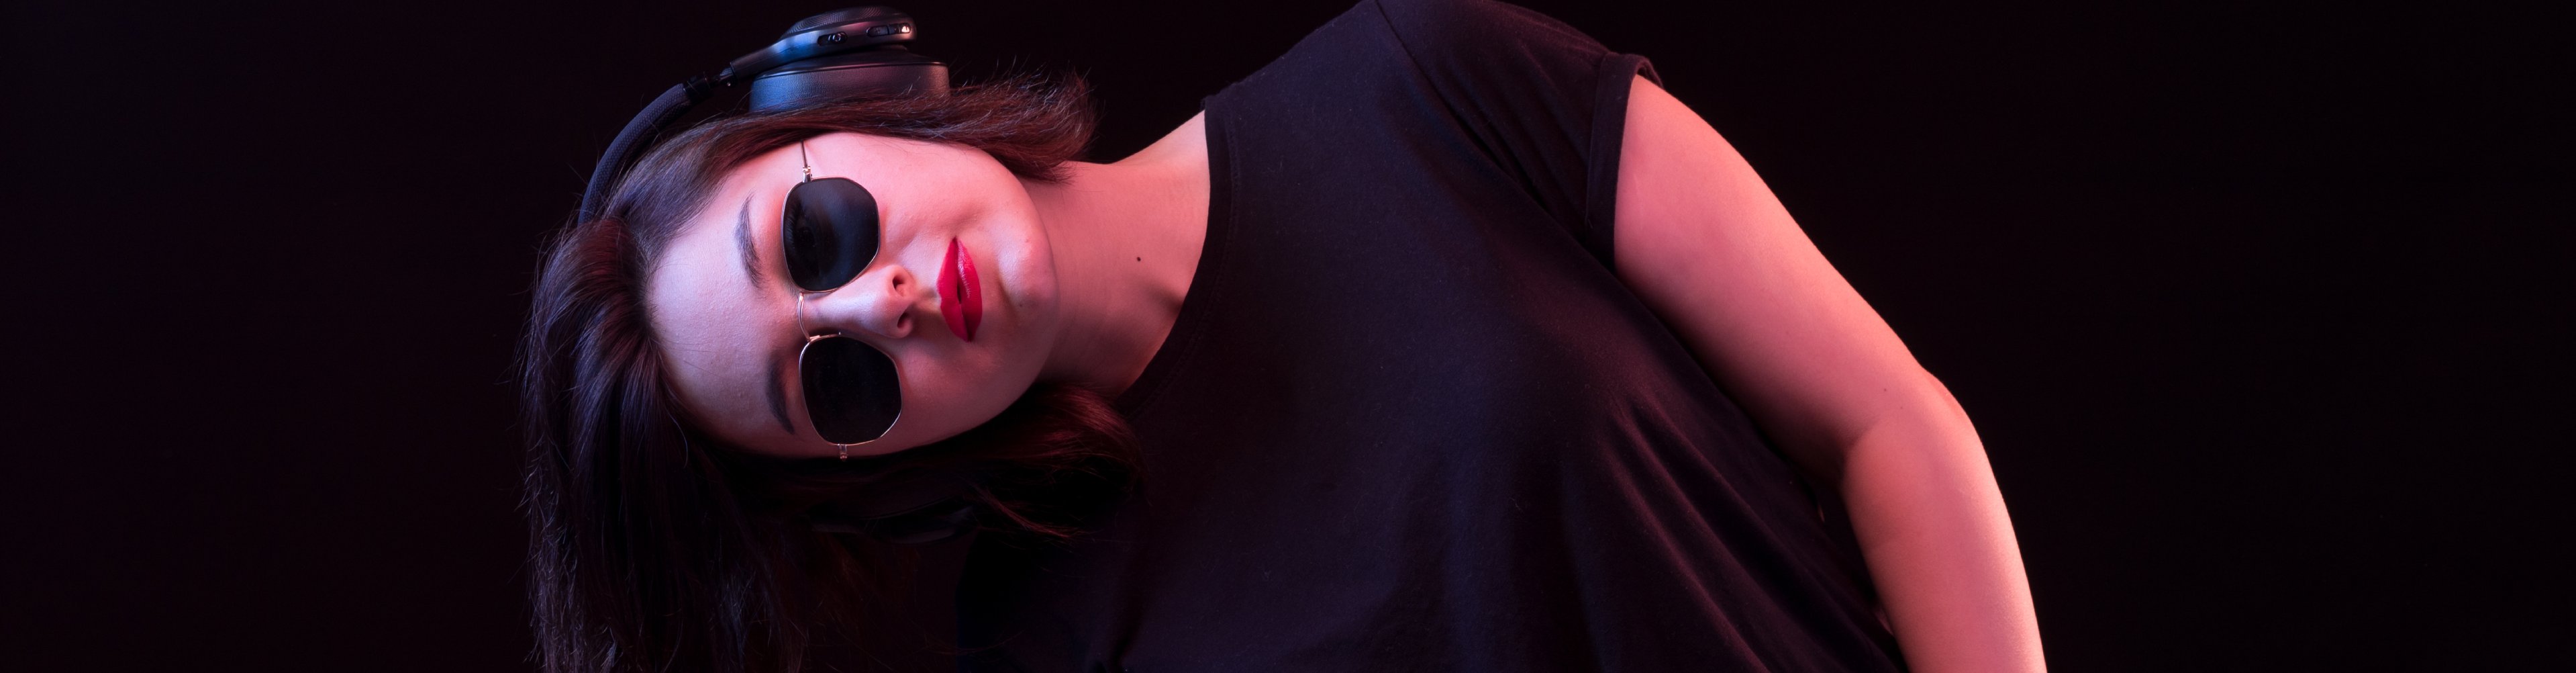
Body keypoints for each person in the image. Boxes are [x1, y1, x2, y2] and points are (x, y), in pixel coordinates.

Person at [518, 0, 2043, 671]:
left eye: (815, 238)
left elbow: (1884, 426)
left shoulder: (1425, 79)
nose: (880, 306)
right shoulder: (1045, 639)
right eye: (835, 383)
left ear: (844, 101)